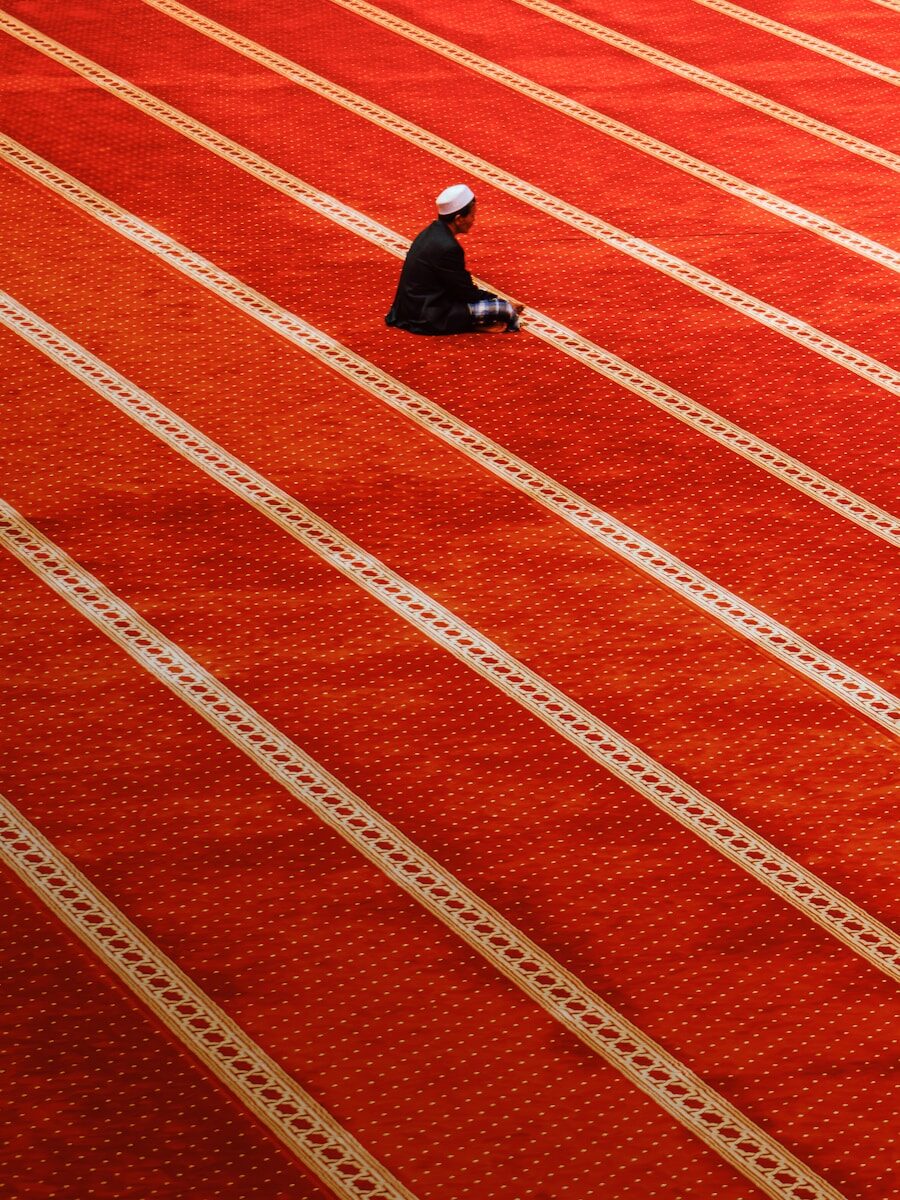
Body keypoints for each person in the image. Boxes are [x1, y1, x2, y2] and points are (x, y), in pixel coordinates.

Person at [385, 184, 524, 335]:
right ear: (458, 219)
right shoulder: (449, 248)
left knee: (492, 306)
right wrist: (499, 301)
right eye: (472, 215)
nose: (473, 220)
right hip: (428, 315)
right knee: (503, 310)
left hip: (409, 308)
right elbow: (465, 291)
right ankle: (473, 324)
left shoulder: (431, 231)